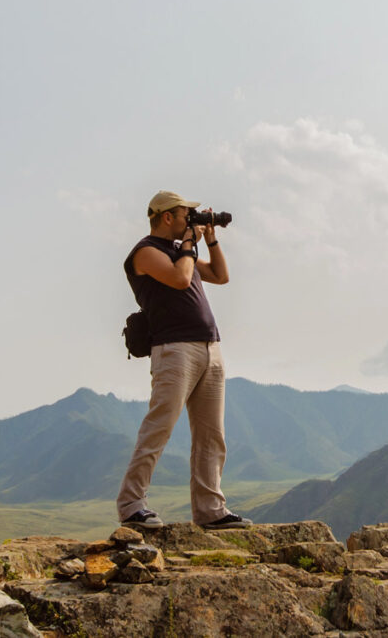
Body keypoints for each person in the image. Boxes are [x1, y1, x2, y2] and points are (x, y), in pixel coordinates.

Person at [116, 190, 251, 530]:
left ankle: (211, 510)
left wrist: (210, 240)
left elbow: (221, 276)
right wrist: (190, 245)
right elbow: (178, 279)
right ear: (166, 217)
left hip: (209, 347)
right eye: (184, 215)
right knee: (159, 427)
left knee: (211, 434)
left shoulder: (182, 252)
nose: (188, 220)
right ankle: (132, 504)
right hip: (174, 349)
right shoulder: (145, 252)